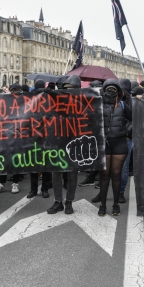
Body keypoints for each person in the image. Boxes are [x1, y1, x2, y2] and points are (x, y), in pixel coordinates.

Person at [90, 79, 131, 216]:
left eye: (114, 90)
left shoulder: (123, 105)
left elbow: (135, 118)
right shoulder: (97, 104)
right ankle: (102, 205)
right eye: (109, 89)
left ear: (119, 92)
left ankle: (116, 204)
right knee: (104, 175)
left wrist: (127, 132)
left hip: (120, 143)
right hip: (104, 144)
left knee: (116, 174)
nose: (111, 92)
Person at [47, 75, 81, 215]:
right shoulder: (55, 101)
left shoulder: (84, 102)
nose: (69, 91)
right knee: (56, 173)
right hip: (58, 142)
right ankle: (58, 201)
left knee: (72, 174)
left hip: (74, 143)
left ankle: (69, 202)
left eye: (72, 89)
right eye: (67, 88)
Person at [0, 83, 24, 194]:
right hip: (5, 135)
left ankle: (15, 183)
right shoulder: (4, 100)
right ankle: (0, 183)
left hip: (17, 135)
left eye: (17, 90)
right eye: (13, 89)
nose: (14, 91)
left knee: (16, 160)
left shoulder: (25, 101)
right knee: (3, 160)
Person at [27, 80, 52, 198]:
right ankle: (42, 189)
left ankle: (38, 189)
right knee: (37, 165)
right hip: (36, 135)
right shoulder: (30, 98)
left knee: (39, 165)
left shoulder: (49, 97)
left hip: (43, 135)